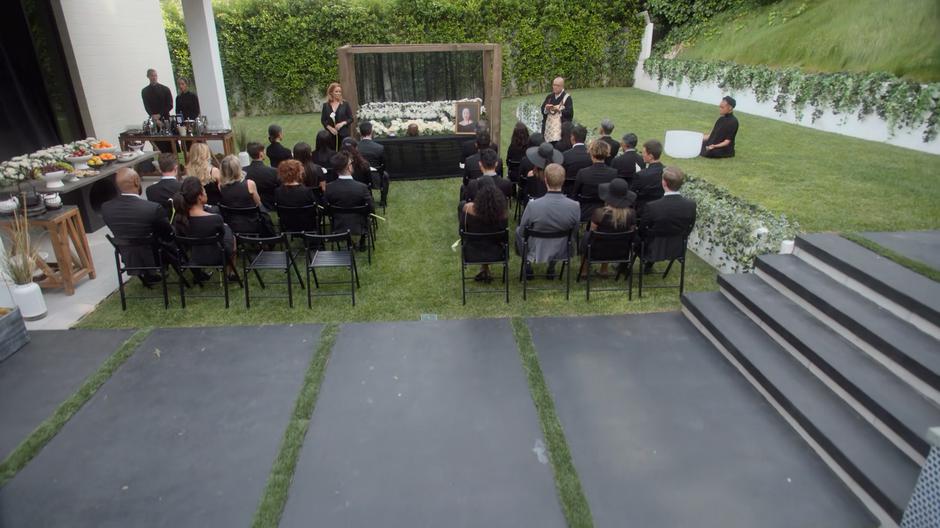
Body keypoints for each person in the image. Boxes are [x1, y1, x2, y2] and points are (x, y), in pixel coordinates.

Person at [101, 168, 174, 286]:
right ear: (136, 181)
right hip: (155, 256)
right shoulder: (152, 208)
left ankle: (149, 276)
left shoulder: (106, 208)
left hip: (128, 256)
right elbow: (168, 234)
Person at [515, 163, 580, 279]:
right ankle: (551, 266)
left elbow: (522, 231)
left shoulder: (533, 206)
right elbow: (574, 232)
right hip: (561, 247)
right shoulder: (574, 206)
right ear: (563, 180)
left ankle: (528, 264)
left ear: (545, 181)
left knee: (518, 231)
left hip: (537, 248)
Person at [172, 176, 238, 282]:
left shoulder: (179, 219)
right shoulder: (214, 218)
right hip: (219, 257)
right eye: (204, 190)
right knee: (231, 235)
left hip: (194, 258)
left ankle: (199, 275)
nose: (206, 192)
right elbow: (223, 238)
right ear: (199, 197)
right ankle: (231, 273)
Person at [639, 166, 697, 272]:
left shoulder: (653, 206)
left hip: (652, 248)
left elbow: (642, 230)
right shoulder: (691, 205)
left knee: (636, 237)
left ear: (664, 183)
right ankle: (648, 266)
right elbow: (689, 228)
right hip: (676, 248)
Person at [580, 177, 636, 278]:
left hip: (596, 251)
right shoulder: (631, 214)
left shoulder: (599, 213)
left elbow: (592, 234)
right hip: (621, 252)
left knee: (587, 237)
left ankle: (584, 271)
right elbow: (631, 233)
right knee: (607, 238)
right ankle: (604, 270)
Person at [459, 177, 508, 282]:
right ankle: (485, 269)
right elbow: (504, 237)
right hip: (496, 253)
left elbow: (462, 232)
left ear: (478, 191)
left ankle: (484, 269)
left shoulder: (467, 209)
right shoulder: (502, 213)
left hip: (472, 252)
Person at [323, 151, 374, 250]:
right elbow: (371, 208)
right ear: (349, 167)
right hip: (359, 225)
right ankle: (361, 241)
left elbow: (326, 209)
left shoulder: (329, 188)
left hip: (338, 224)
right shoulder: (362, 187)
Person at [218, 154, 271, 235]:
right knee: (263, 210)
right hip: (253, 223)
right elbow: (258, 203)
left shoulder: (221, 186)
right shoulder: (249, 184)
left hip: (232, 224)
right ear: (238, 168)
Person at [570, 140, 618, 222]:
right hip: (605, 213)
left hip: (585, 212)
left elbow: (575, 194)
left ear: (591, 153)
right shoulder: (613, 173)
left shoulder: (583, 173)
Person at [141, 69, 174, 153]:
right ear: (148, 77)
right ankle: (159, 164)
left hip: (165, 120)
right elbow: (147, 106)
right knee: (157, 146)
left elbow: (170, 105)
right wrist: (154, 118)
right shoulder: (145, 91)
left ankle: (178, 163)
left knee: (172, 145)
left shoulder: (165, 89)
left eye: (155, 75)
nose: (154, 77)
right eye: (152, 75)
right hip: (154, 122)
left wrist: (159, 115)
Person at [357, 121, 389, 207]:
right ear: (371, 132)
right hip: (375, 178)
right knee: (385, 175)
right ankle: (383, 201)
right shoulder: (379, 148)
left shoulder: (355, 147)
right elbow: (383, 165)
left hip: (359, 177)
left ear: (360, 133)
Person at [633, 139, 666, 214]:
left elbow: (633, 192)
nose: (642, 155)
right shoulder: (666, 172)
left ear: (650, 156)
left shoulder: (641, 174)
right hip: (661, 210)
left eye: (644, 153)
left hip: (643, 211)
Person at [245, 142, 280, 211]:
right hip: (270, 205)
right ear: (261, 154)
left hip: (252, 205)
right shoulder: (273, 171)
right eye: (264, 151)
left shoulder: (243, 171)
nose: (264, 153)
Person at [321, 82, 354, 150]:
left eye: (340, 91)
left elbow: (351, 118)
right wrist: (330, 128)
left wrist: (342, 123)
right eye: (336, 91)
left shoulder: (345, 104)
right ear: (331, 92)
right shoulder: (326, 105)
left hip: (343, 134)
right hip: (330, 134)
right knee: (331, 152)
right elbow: (323, 120)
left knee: (343, 153)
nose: (338, 93)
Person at [541, 77, 574, 144]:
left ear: (562, 86)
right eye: (554, 85)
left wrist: (559, 110)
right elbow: (542, 110)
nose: (555, 87)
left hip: (561, 130)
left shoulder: (567, 98)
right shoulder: (549, 97)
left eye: (557, 85)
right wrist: (546, 109)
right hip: (548, 130)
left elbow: (570, 113)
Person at [562, 124, 591, 193]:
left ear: (572, 137)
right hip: (584, 191)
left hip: (568, 191)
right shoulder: (591, 155)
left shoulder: (565, 155)